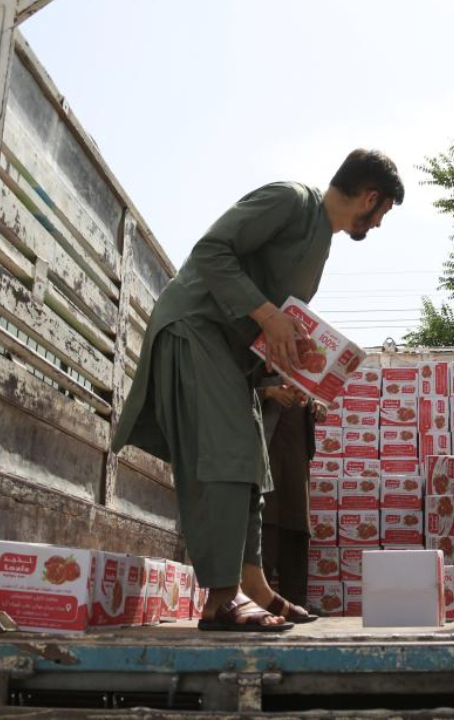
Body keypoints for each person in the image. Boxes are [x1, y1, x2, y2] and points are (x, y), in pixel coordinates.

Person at [111, 150, 404, 631]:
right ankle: (222, 599)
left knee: (253, 466)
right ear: (371, 198)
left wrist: (297, 359)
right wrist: (270, 317)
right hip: (195, 329)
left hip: (236, 357)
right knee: (227, 457)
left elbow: (272, 315)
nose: (376, 225)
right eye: (381, 214)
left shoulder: (320, 241)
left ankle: (256, 588)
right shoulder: (289, 200)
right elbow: (210, 252)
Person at [256, 377, 325, 611]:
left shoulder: (305, 360)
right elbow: (230, 387)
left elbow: (311, 396)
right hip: (265, 443)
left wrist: (316, 405)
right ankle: (257, 600)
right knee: (266, 518)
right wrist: (269, 392)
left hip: (296, 448)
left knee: (296, 521)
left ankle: (296, 601)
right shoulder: (257, 352)